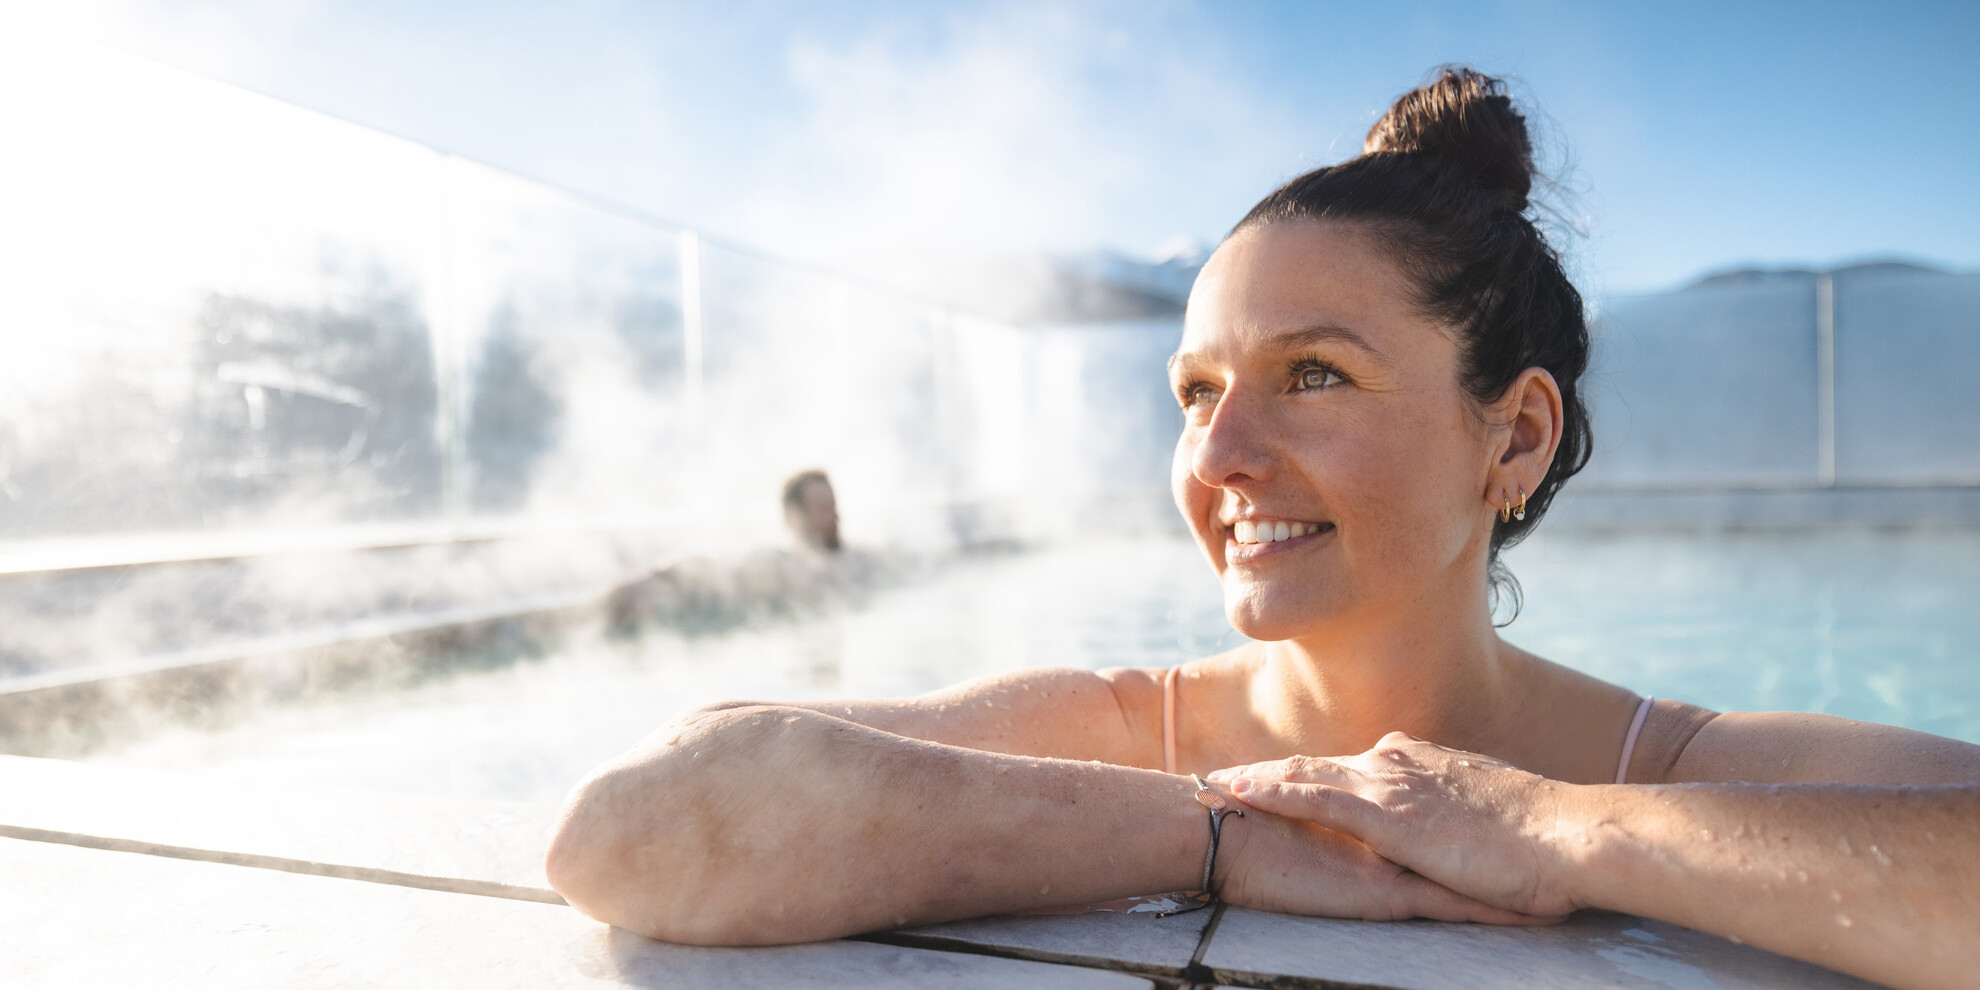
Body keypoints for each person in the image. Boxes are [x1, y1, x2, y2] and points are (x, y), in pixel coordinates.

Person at [545, 68, 1980, 990]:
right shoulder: (1126, 733)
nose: (1219, 456)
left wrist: (1557, 830)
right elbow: (629, 829)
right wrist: (1221, 832)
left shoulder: (1661, 768)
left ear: (1517, 434)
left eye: (1313, 374)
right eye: (1195, 392)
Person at [781, 469, 843, 555]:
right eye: (823, 509)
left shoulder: (860, 561)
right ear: (796, 516)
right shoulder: (776, 565)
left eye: (833, 507)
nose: (835, 517)